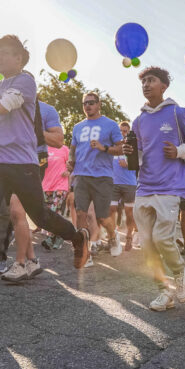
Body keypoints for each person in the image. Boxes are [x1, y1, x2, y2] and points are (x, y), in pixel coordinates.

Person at [0, 35, 89, 298]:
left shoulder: (25, 82)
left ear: (19, 59)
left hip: (22, 164)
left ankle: (78, 238)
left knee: (40, 215)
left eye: (6, 53)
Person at [125, 66, 185, 311]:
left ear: (163, 86)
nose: (146, 84)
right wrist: (130, 153)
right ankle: (163, 292)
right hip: (144, 186)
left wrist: (179, 151)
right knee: (146, 243)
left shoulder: (177, 113)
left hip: (170, 186)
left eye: (151, 80)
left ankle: (180, 272)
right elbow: (138, 154)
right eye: (144, 81)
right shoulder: (138, 120)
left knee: (162, 238)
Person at [0, 97, 65, 282]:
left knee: (17, 209)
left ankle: (20, 264)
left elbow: (58, 140)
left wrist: (32, 129)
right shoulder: (6, 110)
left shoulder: (46, 110)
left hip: (33, 163)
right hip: (9, 164)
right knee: (18, 215)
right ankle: (32, 260)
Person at [68, 91, 124, 260]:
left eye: (91, 102)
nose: (88, 106)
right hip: (81, 176)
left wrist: (104, 148)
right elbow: (72, 149)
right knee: (81, 214)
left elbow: (121, 149)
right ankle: (85, 251)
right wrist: (71, 161)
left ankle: (113, 237)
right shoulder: (78, 127)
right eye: (85, 103)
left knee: (102, 217)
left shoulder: (111, 124)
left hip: (102, 177)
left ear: (99, 104)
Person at [109, 121, 138, 251]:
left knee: (129, 213)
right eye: (120, 130)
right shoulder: (113, 146)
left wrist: (129, 164)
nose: (122, 133)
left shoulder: (132, 147)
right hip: (114, 184)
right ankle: (113, 237)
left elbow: (139, 164)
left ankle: (129, 238)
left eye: (125, 131)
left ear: (128, 132)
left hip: (129, 184)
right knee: (111, 210)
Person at [40, 142, 71, 251]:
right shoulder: (43, 149)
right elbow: (39, 166)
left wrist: (68, 171)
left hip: (60, 185)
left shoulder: (64, 149)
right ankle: (60, 235)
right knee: (52, 213)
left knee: (53, 210)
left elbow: (73, 163)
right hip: (46, 186)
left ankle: (49, 238)